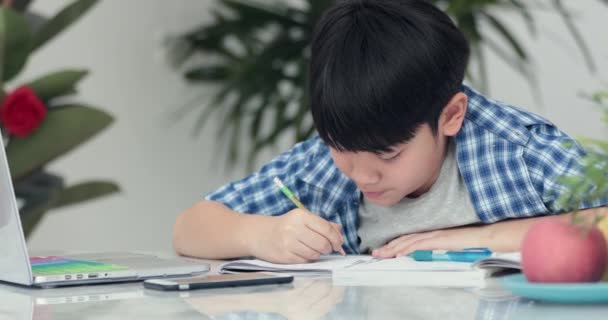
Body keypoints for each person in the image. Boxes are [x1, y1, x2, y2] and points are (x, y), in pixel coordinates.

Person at [173, 0, 608, 264]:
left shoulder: (516, 151)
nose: (363, 176)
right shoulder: (323, 166)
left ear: (451, 116)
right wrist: (260, 235)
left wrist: (478, 239)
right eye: (343, 150)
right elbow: (190, 229)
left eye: (389, 156)